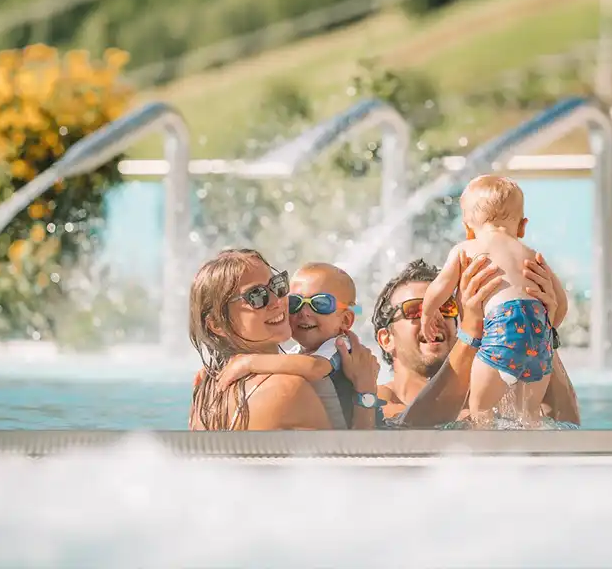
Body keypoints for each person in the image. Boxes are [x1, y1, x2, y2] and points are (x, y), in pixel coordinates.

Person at [419, 174, 564, 427]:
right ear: (522, 226)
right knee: (529, 417)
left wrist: (427, 314)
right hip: (539, 336)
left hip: (503, 330)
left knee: (481, 411)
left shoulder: (467, 249)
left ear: (467, 227)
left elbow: (440, 286)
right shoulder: (532, 255)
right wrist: (546, 330)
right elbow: (560, 303)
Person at [374, 255, 580, 429]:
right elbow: (411, 430)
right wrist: (471, 331)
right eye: (416, 310)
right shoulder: (376, 400)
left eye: (447, 308)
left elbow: (567, 426)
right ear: (386, 339)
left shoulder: (492, 391)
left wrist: (541, 329)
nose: (435, 317)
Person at [188, 248, 381, 431]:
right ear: (217, 325)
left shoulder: (204, 395)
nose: (278, 301)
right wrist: (366, 393)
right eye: (256, 296)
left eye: (277, 286)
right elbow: (352, 462)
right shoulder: (288, 390)